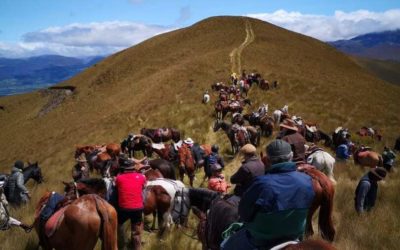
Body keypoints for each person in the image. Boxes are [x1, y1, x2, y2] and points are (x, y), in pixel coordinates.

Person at [221, 140, 315, 250]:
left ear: (268, 160)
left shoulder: (261, 184)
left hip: (261, 240)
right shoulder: (307, 180)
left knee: (225, 245)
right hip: (295, 236)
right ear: (292, 156)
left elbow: (244, 212)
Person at [115, 157, 147, 250]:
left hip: (123, 208)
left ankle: (122, 243)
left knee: (119, 225)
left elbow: (116, 187)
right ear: (134, 168)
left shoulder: (119, 178)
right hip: (138, 208)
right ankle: (137, 247)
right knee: (136, 231)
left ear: (123, 169)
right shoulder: (142, 177)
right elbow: (144, 187)